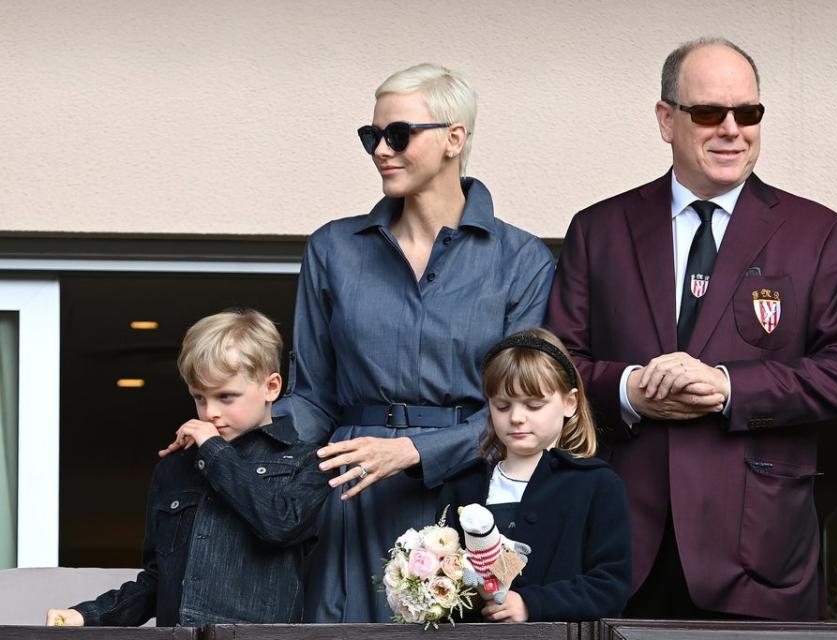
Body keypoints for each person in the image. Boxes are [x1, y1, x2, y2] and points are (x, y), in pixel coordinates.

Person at [545, 38, 837, 620]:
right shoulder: (598, 230)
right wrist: (630, 390)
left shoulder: (819, 234)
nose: (732, 129)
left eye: (748, 113)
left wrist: (728, 388)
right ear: (666, 119)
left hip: (760, 560)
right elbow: (556, 369)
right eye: (709, 113)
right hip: (620, 552)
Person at [273, 63, 555, 622]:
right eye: (371, 136)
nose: (381, 149)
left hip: (473, 495)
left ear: (455, 139)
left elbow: (524, 407)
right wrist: (242, 433)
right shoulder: (332, 249)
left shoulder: (522, 260)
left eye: (398, 134)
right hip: (351, 492)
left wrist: (414, 451)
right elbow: (312, 396)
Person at [46, 310, 332, 627]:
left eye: (226, 397)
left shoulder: (309, 461)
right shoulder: (174, 470)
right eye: (199, 397)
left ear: (271, 387)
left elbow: (279, 524)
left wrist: (214, 451)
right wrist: (87, 615)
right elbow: (158, 581)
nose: (211, 413)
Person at [438, 327, 632, 622]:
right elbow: (445, 581)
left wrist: (531, 604)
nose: (516, 417)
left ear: (569, 403)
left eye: (534, 405)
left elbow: (610, 586)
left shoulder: (598, 485)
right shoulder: (463, 485)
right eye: (502, 405)